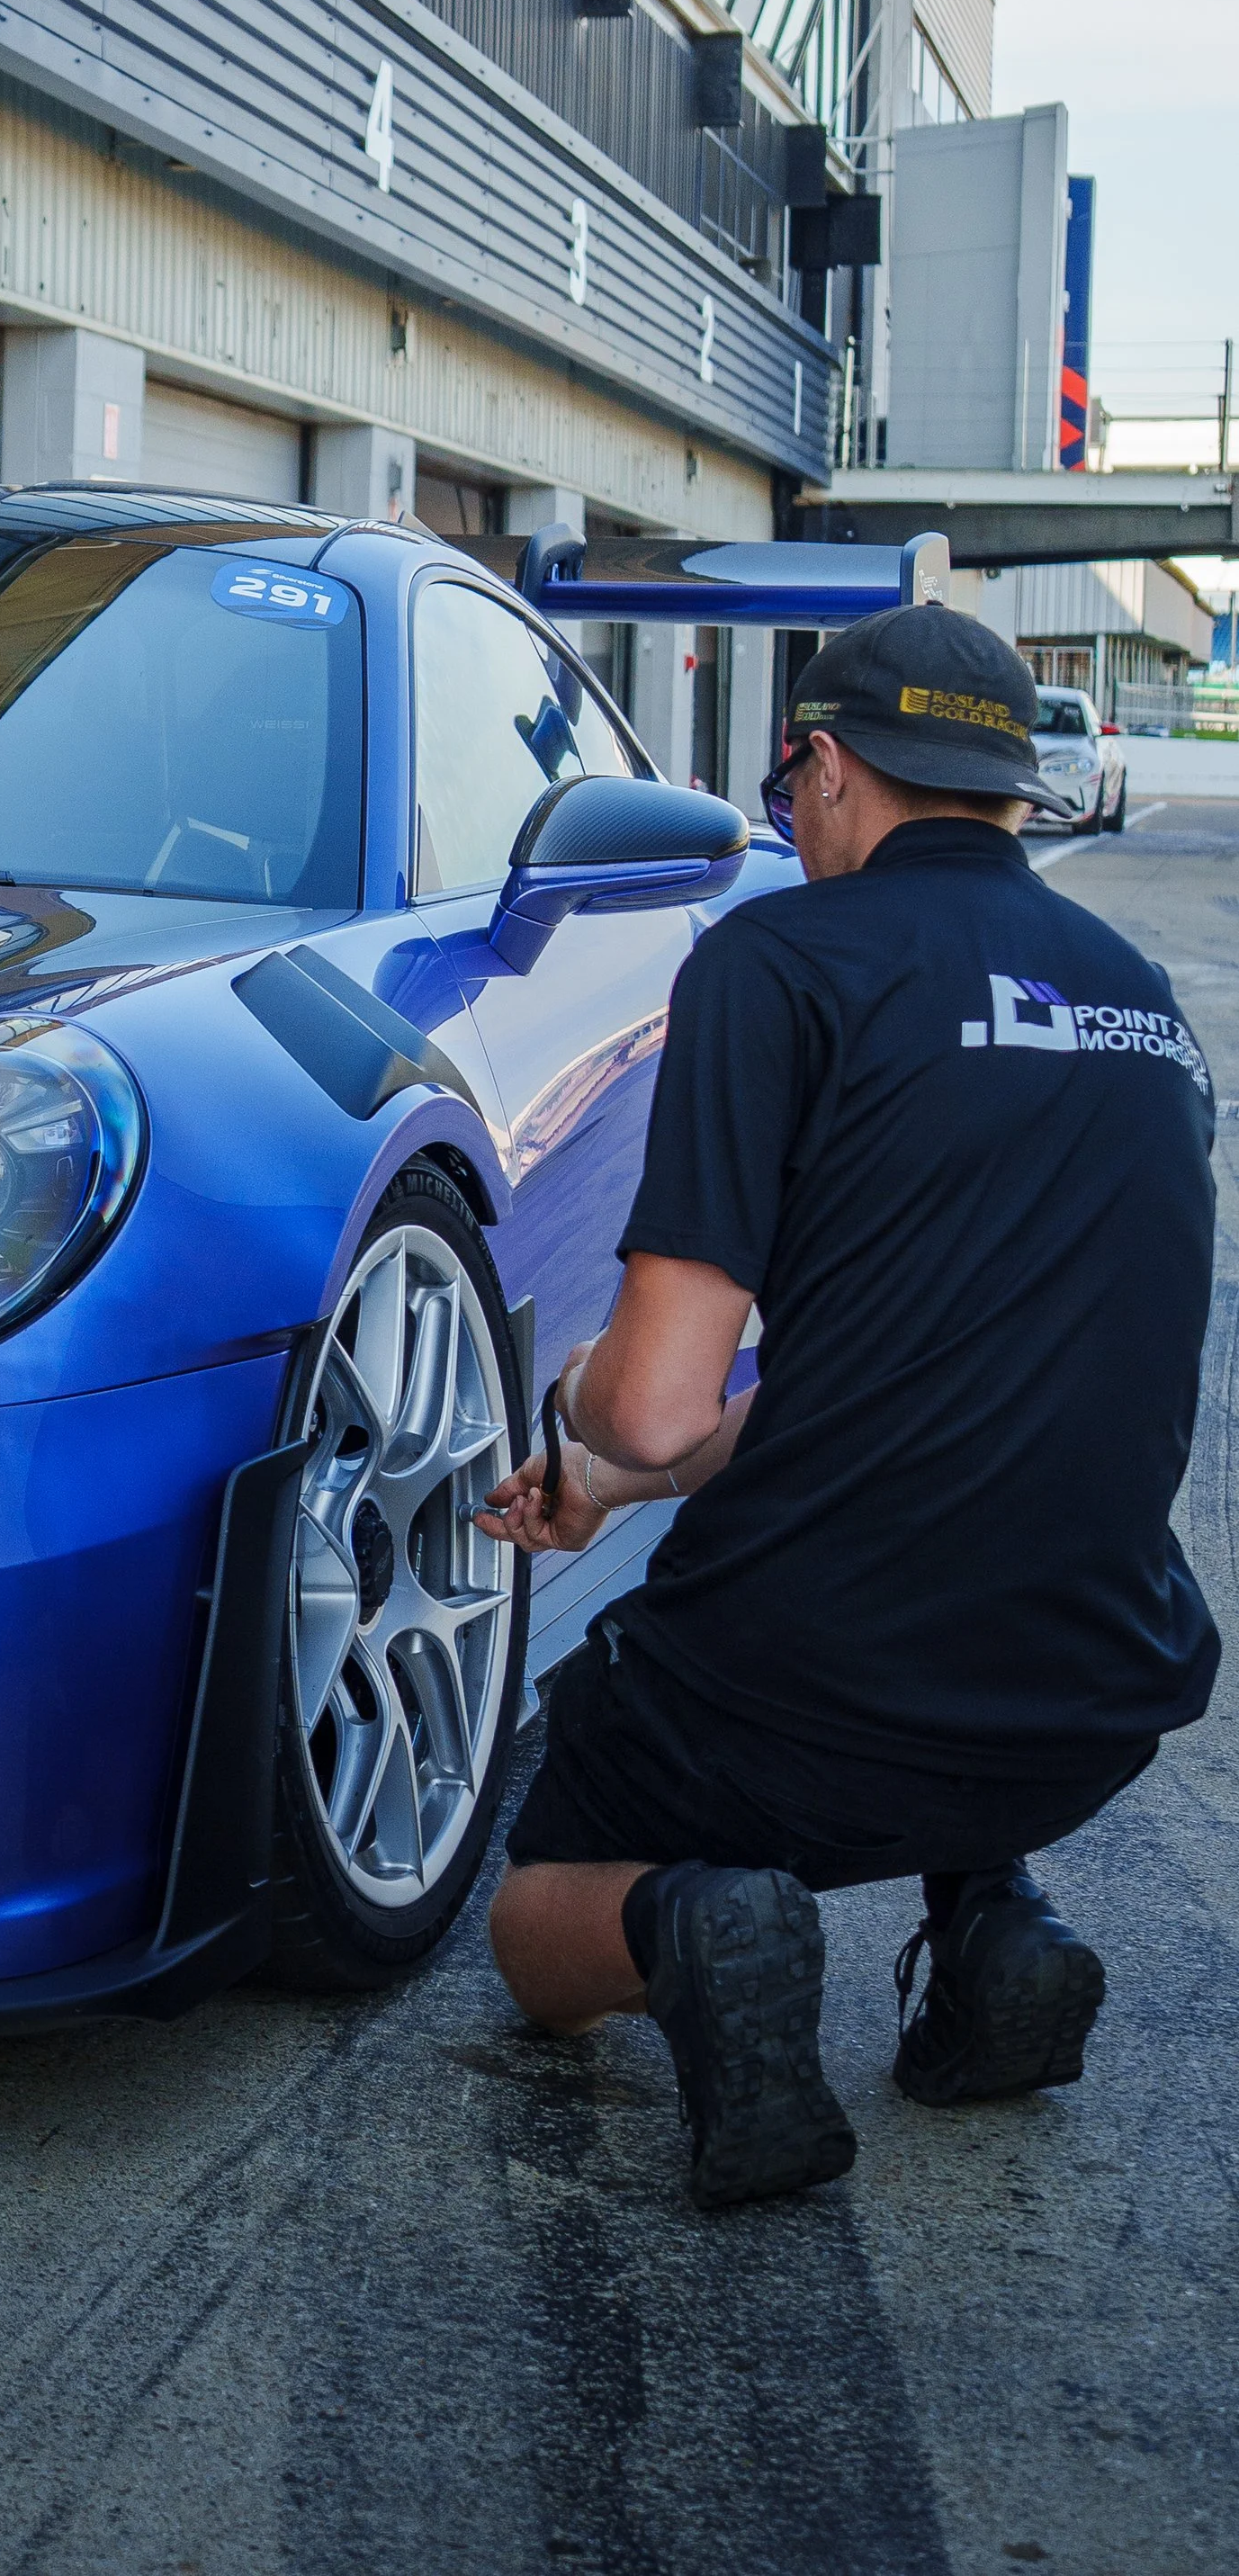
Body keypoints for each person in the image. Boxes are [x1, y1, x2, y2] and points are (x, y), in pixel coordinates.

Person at [475, 602, 1219, 2210]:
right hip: (1091, 1702)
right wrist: (616, 1491)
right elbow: (886, 1392)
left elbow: (661, 1403)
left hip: (797, 1708)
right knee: (958, 1552)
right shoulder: (1145, 1004)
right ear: (1016, 791)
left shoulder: (778, 961)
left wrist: (573, 1411)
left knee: (535, 1916)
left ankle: (696, 1925)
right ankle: (995, 1924)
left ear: (819, 765)